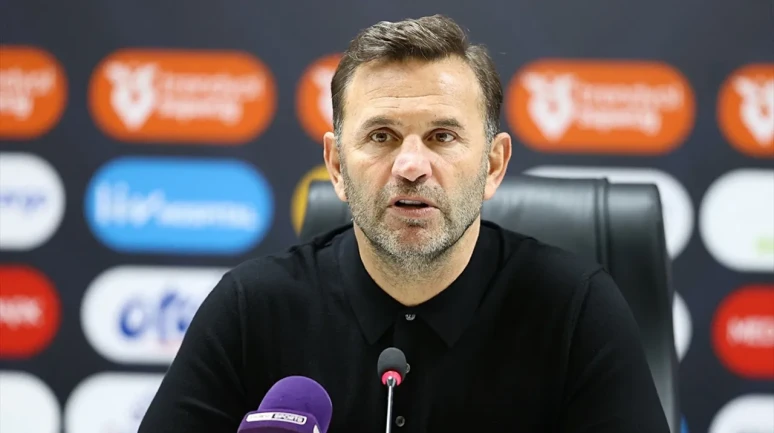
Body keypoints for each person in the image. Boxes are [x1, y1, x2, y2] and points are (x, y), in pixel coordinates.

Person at [138, 14, 671, 433]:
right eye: (382, 136)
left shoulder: (576, 311)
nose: (411, 166)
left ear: (493, 165)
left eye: (442, 136)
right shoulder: (249, 309)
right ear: (337, 166)